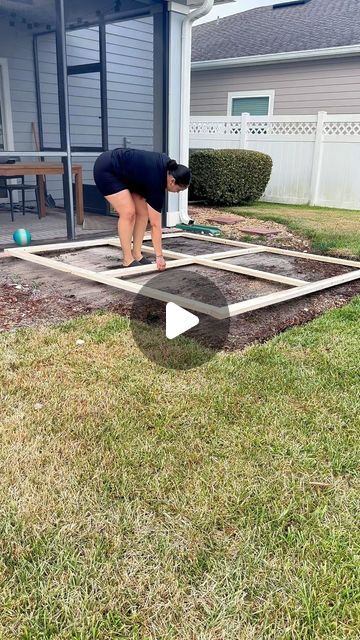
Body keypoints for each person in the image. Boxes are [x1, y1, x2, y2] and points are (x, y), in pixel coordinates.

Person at [93, 148, 191, 271]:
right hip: (107, 169)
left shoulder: (167, 169)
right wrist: (159, 256)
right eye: (178, 190)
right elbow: (155, 225)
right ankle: (127, 259)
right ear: (172, 181)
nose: (176, 193)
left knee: (143, 213)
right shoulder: (157, 181)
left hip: (128, 175)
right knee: (128, 213)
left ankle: (137, 254)